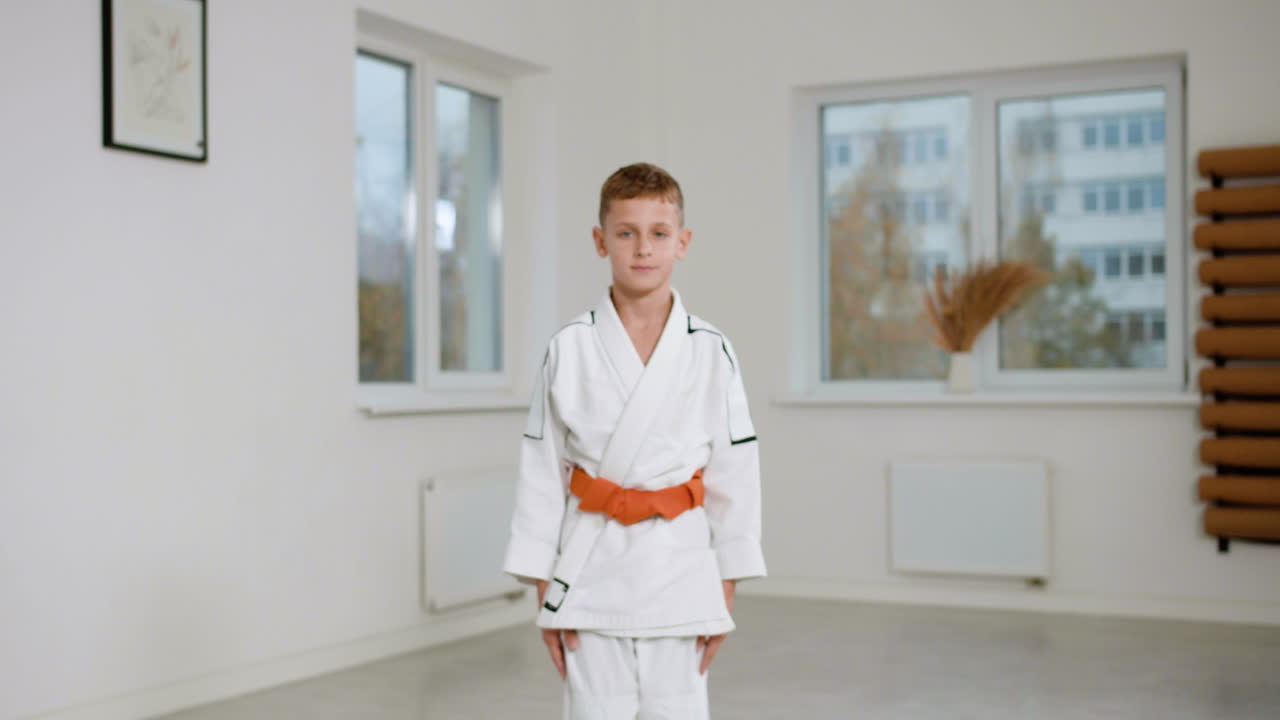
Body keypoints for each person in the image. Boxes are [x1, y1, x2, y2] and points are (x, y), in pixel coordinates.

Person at [502, 162, 765, 719]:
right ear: (601, 241)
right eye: (626, 233)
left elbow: (735, 471)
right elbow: (540, 468)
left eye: (659, 233)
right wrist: (545, 590)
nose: (643, 249)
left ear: (683, 243)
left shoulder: (710, 349)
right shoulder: (568, 348)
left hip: (681, 573)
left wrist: (726, 586)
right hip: (591, 573)